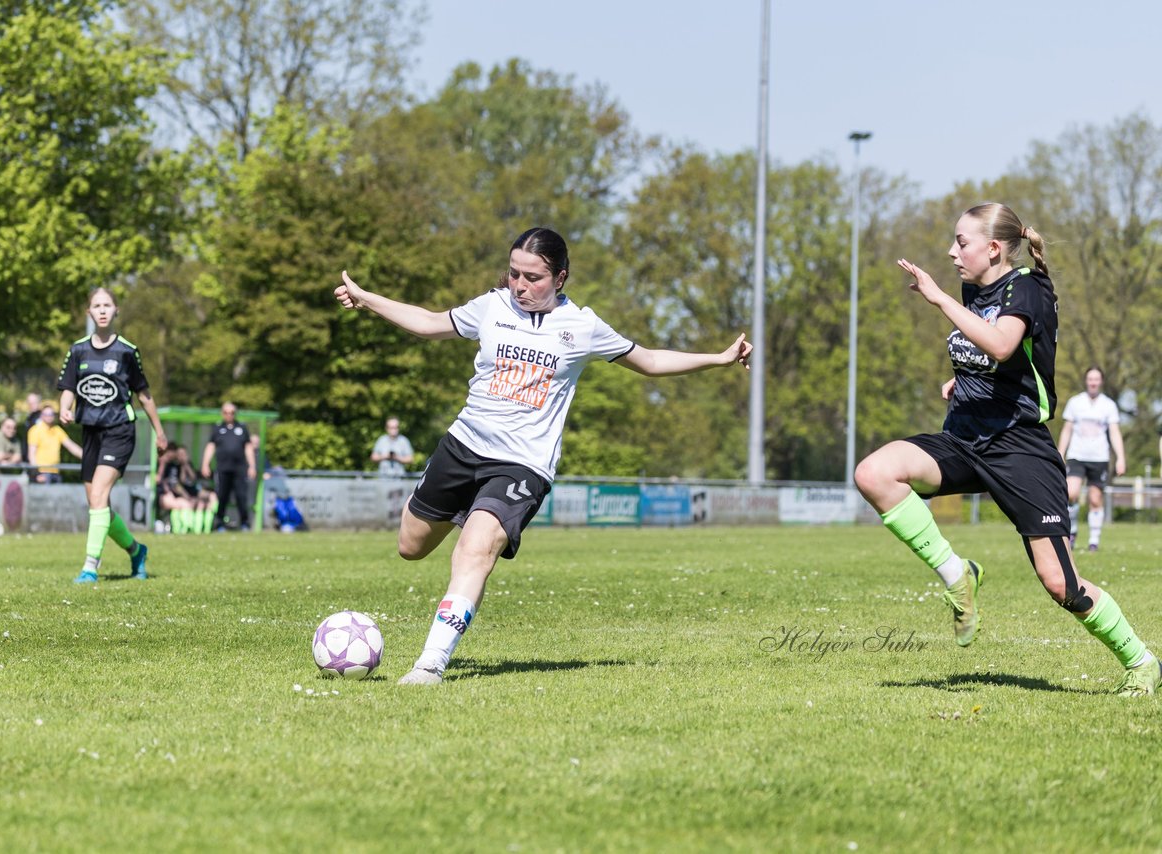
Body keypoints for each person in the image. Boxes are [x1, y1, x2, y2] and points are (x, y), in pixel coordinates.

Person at [334, 227, 753, 685]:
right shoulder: (491, 307)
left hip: (522, 465)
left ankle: (431, 663)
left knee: (475, 550)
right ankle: (454, 542)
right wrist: (367, 298)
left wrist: (718, 357)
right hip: (462, 446)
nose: (519, 285)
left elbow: (649, 361)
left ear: (560, 277)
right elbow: (431, 322)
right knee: (410, 547)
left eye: (532, 277)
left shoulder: (584, 327)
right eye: (513, 273)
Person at [853, 202, 1159, 697]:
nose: (952, 252)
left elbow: (1000, 345)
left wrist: (938, 300)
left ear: (994, 248)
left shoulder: (1028, 288)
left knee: (1064, 586)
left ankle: (1142, 661)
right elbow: (989, 359)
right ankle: (959, 575)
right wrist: (960, 381)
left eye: (962, 242)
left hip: (1018, 448)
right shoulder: (974, 289)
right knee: (873, 473)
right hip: (964, 437)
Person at [58, 287, 168, 583]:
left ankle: (90, 566)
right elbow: (68, 387)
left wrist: (159, 432)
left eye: (108, 305)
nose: (103, 310)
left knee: (98, 495)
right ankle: (136, 551)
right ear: (89, 312)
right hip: (90, 431)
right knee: (98, 504)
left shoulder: (126, 351)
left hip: (120, 429)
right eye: (97, 305)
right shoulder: (78, 349)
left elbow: (144, 395)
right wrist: (64, 408)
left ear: (116, 310)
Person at [1057, 367, 1125, 552]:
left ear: (1101, 381)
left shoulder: (1108, 405)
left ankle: (1094, 541)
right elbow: (1067, 430)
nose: (1093, 382)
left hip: (1099, 457)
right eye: (1090, 379)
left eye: (1096, 379)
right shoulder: (1075, 402)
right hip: (1077, 455)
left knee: (1095, 499)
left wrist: (1120, 458)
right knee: (1071, 493)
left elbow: (1115, 432)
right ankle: (1073, 532)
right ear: (1086, 381)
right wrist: (1059, 453)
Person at [200, 402, 256, 532]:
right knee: (222, 496)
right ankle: (219, 523)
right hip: (223, 469)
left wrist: (252, 466)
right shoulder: (217, 428)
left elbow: (248, 447)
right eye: (226, 412)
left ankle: (245, 524)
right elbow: (211, 446)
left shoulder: (242, 428)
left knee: (241, 496)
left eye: (232, 412)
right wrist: (205, 464)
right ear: (222, 413)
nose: (229, 415)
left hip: (239, 469)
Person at [157, 443, 216, 534]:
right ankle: (184, 529)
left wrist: (185, 464)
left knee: (208, 499)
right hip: (172, 495)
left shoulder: (183, 465)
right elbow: (178, 482)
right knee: (185, 504)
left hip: (188, 492)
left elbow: (191, 479)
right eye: (179, 454)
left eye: (184, 454)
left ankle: (202, 529)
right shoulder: (168, 466)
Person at [27, 406, 82, 484]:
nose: (49, 416)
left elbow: (71, 446)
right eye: (46, 414)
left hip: (55, 472)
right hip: (42, 473)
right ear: (41, 415)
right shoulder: (35, 430)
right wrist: (36, 473)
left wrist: (87, 457)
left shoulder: (57, 430)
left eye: (51, 414)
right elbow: (32, 454)